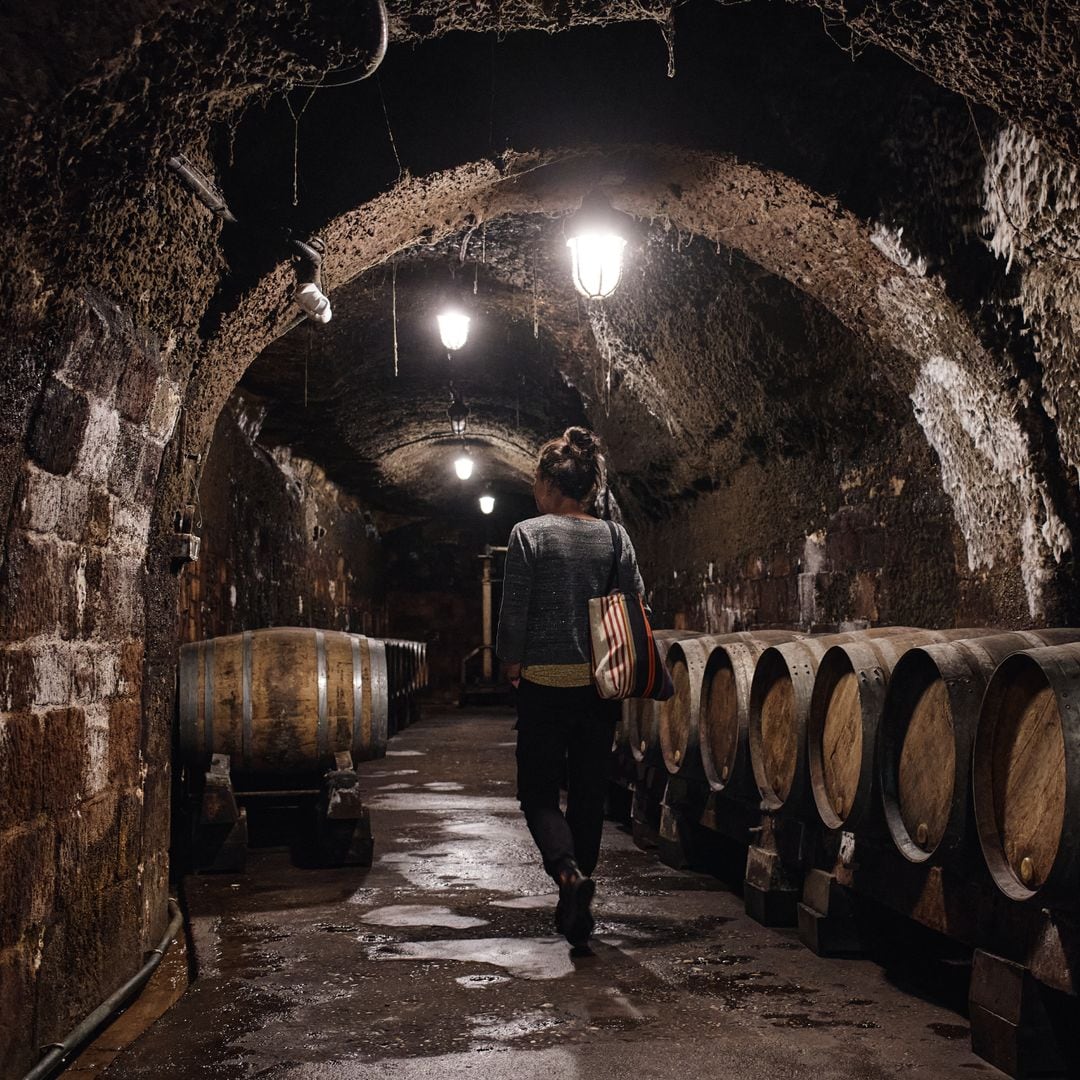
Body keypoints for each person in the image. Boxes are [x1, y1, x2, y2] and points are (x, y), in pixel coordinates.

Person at [496, 426, 647, 948]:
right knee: (587, 795)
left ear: (549, 484)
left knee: (537, 793)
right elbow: (633, 603)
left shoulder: (528, 534)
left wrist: (511, 665)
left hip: (542, 683)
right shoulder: (614, 537)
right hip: (598, 687)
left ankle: (567, 875)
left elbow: (513, 611)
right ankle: (576, 904)